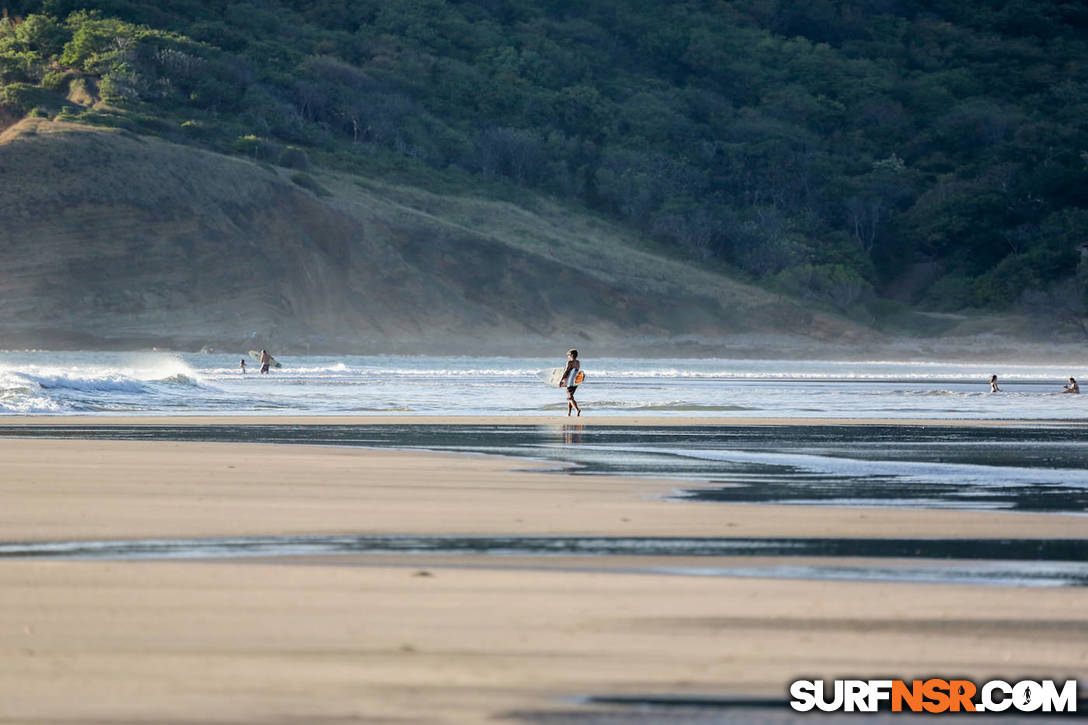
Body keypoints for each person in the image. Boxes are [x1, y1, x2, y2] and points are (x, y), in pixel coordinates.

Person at [559, 348, 581, 417]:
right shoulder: (578, 362)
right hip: (576, 381)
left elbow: (566, 372)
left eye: (568, 355)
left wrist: (561, 380)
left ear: (571, 355)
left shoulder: (569, 362)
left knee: (570, 397)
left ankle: (577, 409)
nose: (568, 357)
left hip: (570, 381)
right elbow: (576, 372)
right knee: (570, 397)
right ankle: (569, 413)